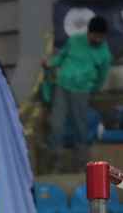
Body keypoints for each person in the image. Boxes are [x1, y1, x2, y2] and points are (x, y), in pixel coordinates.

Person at [42, 16, 113, 172]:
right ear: (88, 32)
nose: (96, 39)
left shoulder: (105, 55)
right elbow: (60, 57)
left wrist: (90, 89)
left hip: (82, 92)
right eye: (94, 35)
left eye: (100, 37)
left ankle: (81, 165)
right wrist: (50, 63)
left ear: (104, 36)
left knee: (80, 128)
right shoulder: (74, 41)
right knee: (56, 124)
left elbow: (101, 77)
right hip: (62, 87)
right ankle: (55, 162)